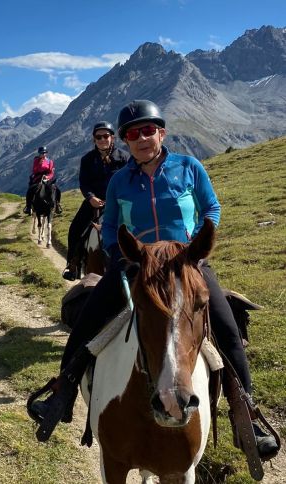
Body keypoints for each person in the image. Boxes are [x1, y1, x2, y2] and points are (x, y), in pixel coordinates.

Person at [30, 100, 279, 459]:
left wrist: (199, 247)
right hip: (135, 264)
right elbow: (112, 224)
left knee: (227, 330)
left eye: (149, 130)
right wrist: (122, 255)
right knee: (87, 320)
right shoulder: (119, 181)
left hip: (186, 262)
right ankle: (62, 394)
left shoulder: (189, 168)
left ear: (161, 132)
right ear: (126, 141)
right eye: (133, 133)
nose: (142, 137)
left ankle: (247, 415)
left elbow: (212, 208)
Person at [62, 122, 128, 280]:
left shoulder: (125, 157)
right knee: (75, 229)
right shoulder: (87, 159)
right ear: (94, 139)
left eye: (106, 136)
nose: (102, 139)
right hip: (94, 202)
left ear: (112, 137)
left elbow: (128, 180)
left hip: (119, 202)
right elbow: (84, 182)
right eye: (98, 137)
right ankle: (73, 265)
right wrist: (91, 197)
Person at [23, 146, 62, 215]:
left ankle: (57, 205)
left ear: (46, 153)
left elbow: (51, 172)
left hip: (47, 178)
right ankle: (28, 206)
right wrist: (39, 164)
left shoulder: (50, 161)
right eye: (41, 153)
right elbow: (34, 170)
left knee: (57, 189)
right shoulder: (36, 160)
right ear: (39, 153)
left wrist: (47, 177)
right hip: (38, 177)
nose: (43, 154)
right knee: (30, 189)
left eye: (44, 153)